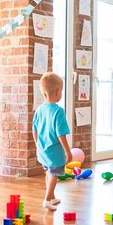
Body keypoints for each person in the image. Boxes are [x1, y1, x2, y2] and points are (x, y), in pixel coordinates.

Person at [32, 72, 72, 210]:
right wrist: (68, 151)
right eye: (61, 91)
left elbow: (34, 129)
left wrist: (37, 144)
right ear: (57, 91)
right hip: (54, 151)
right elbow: (61, 134)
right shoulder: (58, 111)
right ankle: (47, 199)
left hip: (42, 149)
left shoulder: (39, 110)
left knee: (49, 172)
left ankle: (52, 196)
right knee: (54, 174)